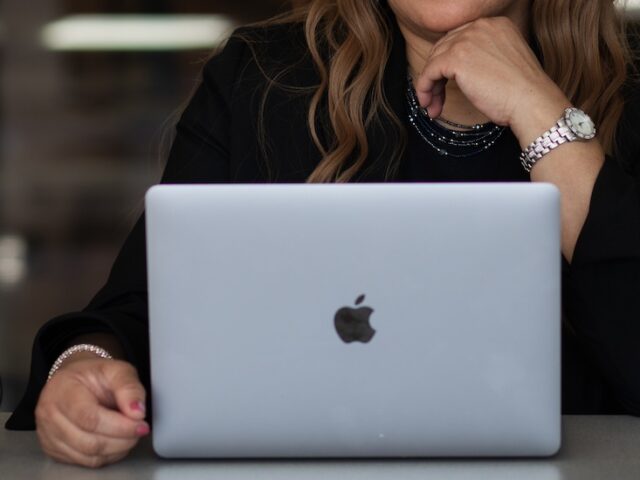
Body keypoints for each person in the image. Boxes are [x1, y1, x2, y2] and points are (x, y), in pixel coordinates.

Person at [5, 0, 640, 468]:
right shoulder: (260, 81)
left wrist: (539, 111)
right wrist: (83, 365)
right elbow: (140, 311)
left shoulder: (631, 89)